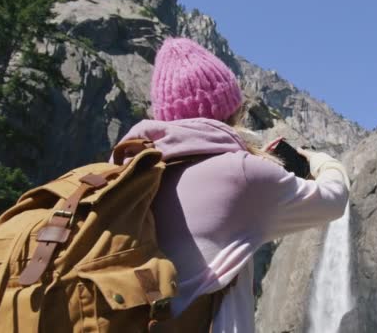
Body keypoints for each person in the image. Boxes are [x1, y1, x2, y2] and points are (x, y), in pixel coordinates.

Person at [116, 37, 350, 332]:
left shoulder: (125, 174)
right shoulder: (241, 174)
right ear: (232, 110)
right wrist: (323, 161)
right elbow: (334, 200)